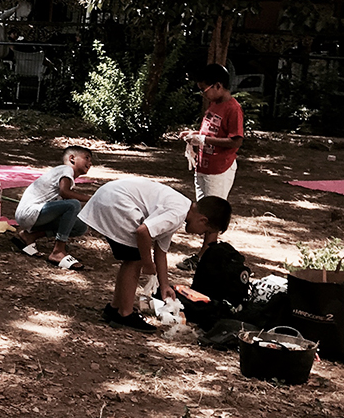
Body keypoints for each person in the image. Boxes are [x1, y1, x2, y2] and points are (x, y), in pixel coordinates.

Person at [77, 177, 231, 332]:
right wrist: (147, 263)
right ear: (203, 220)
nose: (200, 235)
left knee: (133, 258)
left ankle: (115, 308)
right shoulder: (177, 214)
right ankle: (124, 314)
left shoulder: (181, 209)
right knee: (135, 260)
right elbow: (143, 231)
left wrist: (164, 285)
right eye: (205, 231)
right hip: (115, 201)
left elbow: (161, 252)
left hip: (110, 196)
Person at [184, 63, 243, 246]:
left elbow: (236, 141)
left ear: (218, 86)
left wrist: (203, 140)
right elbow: (210, 133)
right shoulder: (214, 105)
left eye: (204, 89)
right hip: (203, 166)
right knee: (201, 212)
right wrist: (194, 136)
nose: (203, 94)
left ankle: (207, 252)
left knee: (212, 215)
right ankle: (204, 252)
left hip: (219, 169)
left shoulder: (233, 108)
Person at [14, 146, 95, 268]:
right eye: (87, 158)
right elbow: (65, 193)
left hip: (34, 215)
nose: (90, 163)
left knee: (80, 227)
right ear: (72, 158)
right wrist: (91, 199)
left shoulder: (65, 174)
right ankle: (58, 251)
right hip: (30, 212)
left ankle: (29, 236)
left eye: (91, 160)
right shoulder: (66, 169)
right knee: (73, 204)